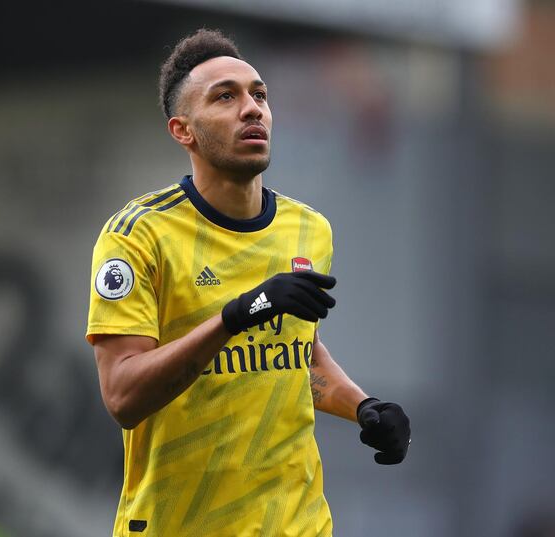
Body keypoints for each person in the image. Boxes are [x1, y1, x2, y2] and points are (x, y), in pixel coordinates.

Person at [86, 29, 411, 537]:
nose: (252, 109)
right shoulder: (138, 235)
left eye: (259, 94)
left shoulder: (309, 230)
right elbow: (123, 398)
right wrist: (235, 316)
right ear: (183, 130)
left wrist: (363, 407)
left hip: (295, 523)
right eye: (225, 97)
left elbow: (296, 353)